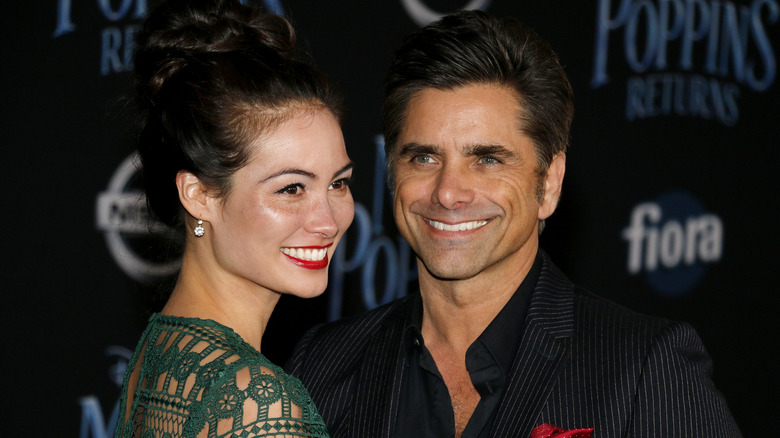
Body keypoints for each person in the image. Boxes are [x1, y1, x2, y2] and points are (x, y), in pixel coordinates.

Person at [286, 10, 741, 438]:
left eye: (486, 160)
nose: (447, 192)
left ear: (548, 184)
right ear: (392, 173)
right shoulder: (324, 363)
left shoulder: (644, 366)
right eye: (423, 157)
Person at [115, 0, 354, 436]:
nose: (328, 221)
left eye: (338, 183)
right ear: (200, 194)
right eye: (291, 188)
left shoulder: (162, 353)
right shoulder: (253, 401)